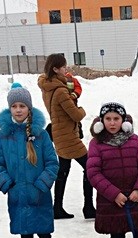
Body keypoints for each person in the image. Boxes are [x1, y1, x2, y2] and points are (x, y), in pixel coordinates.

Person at [0, 83, 59, 238]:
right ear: (9, 108)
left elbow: (52, 163)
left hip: (39, 195)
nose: (18, 110)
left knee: (45, 235)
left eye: (22, 106)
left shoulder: (41, 134)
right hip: (18, 195)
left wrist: (41, 185)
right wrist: (8, 184)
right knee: (25, 236)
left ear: (29, 108)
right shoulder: (3, 136)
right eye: (14, 106)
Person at [86, 102, 138, 238]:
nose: (112, 123)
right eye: (108, 119)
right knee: (117, 236)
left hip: (134, 197)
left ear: (123, 120)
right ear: (101, 121)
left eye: (116, 118)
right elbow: (93, 173)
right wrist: (114, 194)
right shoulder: (96, 143)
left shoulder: (134, 140)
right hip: (111, 199)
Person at [38, 54, 95, 220]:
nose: (66, 69)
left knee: (63, 171)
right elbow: (76, 115)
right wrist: (82, 109)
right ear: (55, 69)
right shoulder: (61, 91)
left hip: (59, 133)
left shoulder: (47, 87)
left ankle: (57, 207)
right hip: (68, 136)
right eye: (63, 67)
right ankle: (88, 207)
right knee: (90, 167)